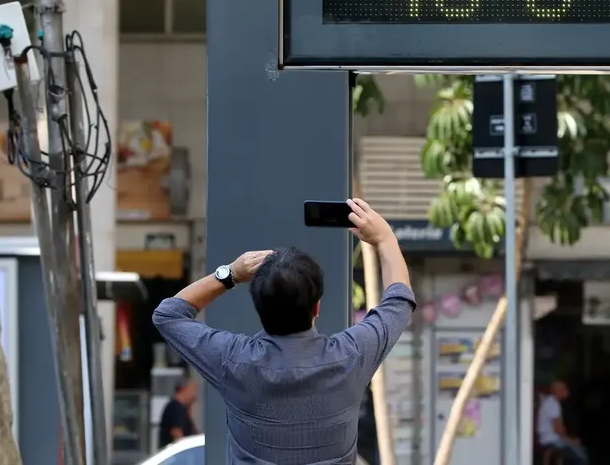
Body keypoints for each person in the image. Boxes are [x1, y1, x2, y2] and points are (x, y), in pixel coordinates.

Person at [153, 198, 415, 464]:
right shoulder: (351, 356)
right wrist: (385, 239)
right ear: (316, 307)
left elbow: (168, 314)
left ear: (260, 307)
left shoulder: (233, 361)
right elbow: (399, 302)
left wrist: (230, 274)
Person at [536, 380, 588, 465]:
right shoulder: (554, 405)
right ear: (558, 391)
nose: (567, 392)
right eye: (565, 389)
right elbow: (557, 429)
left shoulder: (548, 402)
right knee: (581, 457)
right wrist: (571, 440)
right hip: (552, 439)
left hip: (546, 439)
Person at [157, 377, 199, 448]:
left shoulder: (181, 408)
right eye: (192, 390)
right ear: (183, 389)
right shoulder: (176, 408)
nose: (194, 395)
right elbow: (176, 433)